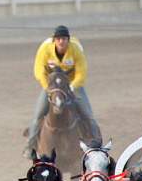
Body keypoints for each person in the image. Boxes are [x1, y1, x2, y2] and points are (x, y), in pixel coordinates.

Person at [25, 25, 97, 159]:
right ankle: (30, 147)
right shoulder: (45, 49)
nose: (61, 41)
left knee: (88, 115)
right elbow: (39, 70)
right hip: (52, 86)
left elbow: (82, 72)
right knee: (38, 115)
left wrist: (72, 86)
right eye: (58, 39)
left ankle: (95, 145)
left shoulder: (75, 50)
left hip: (72, 85)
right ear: (54, 40)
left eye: (64, 39)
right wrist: (47, 88)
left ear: (68, 40)